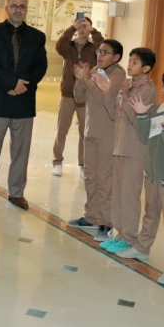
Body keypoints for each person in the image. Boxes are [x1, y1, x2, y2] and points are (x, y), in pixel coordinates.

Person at [0, 0, 47, 210]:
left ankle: (16, 193)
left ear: (26, 9)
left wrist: (23, 85)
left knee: (21, 152)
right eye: (14, 6)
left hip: (24, 102)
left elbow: (40, 66)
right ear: (7, 8)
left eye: (22, 6)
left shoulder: (37, 36)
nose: (18, 10)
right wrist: (12, 84)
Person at [120, 70, 164, 284]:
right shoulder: (160, 110)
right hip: (153, 173)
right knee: (150, 213)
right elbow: (145, 136)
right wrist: (142, 115)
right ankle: (142, 248)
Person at [66, 39, 125, 240]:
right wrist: (80, 80)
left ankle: (106, 222)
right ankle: (91, 216)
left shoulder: (118, 75)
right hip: (90, 132)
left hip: (108, 135)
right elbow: (79, 98)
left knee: (105, 179)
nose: (100, 55)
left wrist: (87, 80)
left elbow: (105, 99)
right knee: (90, 176)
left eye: (105, 52)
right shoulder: (93, 72)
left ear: (116, 57)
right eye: (99, 51)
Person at [100, 48, 157, 251]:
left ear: (146, 68)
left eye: (135, 62)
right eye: (130, 61)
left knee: (129, 195)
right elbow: (115, 115)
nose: (129, 65)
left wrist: (124, 95)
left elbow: (137, 120)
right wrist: (111, 93)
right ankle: (120, 234)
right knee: (118, 193)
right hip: (119, 146)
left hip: (134, 150)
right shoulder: (128, 86)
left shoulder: (148, 90)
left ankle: (130, 237)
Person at [52, 16, 103, 177]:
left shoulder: (93, 48)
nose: (81, 30)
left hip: (86, 95)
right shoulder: (69, 47)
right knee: (62, 130)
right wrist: (72, 28)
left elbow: (103, 49)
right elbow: (59, 46)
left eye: (84, 27)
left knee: (84, 132)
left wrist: (93, 31)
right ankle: (57, 161)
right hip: (67, 94)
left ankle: (83, 164)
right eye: (79, 27)